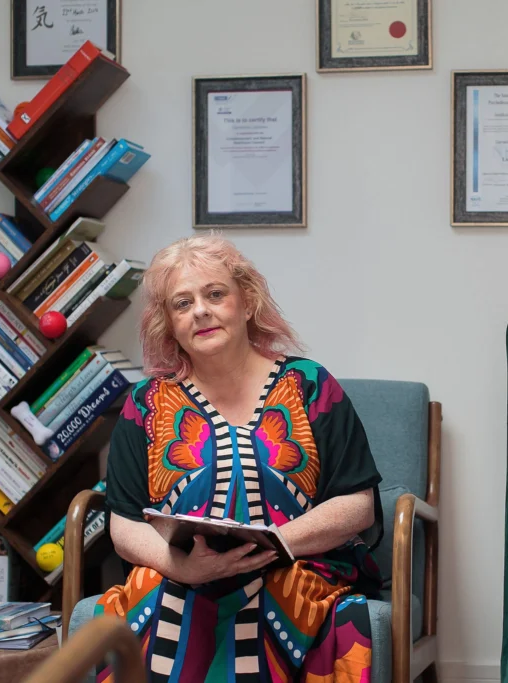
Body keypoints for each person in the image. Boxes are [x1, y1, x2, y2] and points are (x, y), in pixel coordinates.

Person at [96, 233, 384, 682]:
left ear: (246, 303)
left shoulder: (310, 385)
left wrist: (278, 542)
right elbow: (125, 523)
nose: (201, 311)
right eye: (182, 303)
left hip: (295, 567)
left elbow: (356, 503)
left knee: (258, 600)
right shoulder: (145, 404)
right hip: (179, 575)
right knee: (171, 600)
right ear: (169, 323)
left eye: (215, 294)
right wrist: (182, 567)